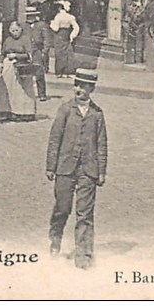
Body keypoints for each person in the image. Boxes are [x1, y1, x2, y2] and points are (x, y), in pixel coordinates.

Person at [46, 68, 107, 270]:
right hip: (65, 167)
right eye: (76, 85)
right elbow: (55, 139)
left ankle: (84, 255)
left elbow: (101, 143)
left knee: (85, 214)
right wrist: (51, 166)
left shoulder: (97, 114)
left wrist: (101, 170)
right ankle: (55, 238)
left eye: (83, 86)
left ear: (91, 89)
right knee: (63, 208)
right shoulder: (65, 110)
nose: (78, 89)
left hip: (88, 170)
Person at [0, 20, 37, 121]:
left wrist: (16, 55)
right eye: (12, 30)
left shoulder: (25, 39)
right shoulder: (7, 40)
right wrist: (0, 63)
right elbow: (2, 53)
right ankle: (6, 110)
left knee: (20, 90)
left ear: (20, 29)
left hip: (21, 66)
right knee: (6, 88)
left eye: (16, 30)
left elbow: (29, 55)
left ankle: (23, 112)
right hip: (8, 68)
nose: (14, 32)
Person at [26, 5, 52, 102]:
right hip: (27, 51)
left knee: (39, 73)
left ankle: (42, 94)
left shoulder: (41, 25)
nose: (30, 18)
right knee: (26, 73)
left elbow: (47, 39)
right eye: (28, 16)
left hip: (37, 50)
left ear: (35, 16)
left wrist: (44, 51)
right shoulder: (24, 26)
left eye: (32, 15)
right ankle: (28, 93)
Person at [50, 0, 80, 76]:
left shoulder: (58, 16)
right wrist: (72, 35)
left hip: (59, 35)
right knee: (68, 53)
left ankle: (60, 71)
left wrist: (51, 23)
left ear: (60, 8)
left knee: (59, 53)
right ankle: (68, 71)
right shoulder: (71, 17)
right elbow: (76, 27)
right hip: (67, 34)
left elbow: (55, 28)